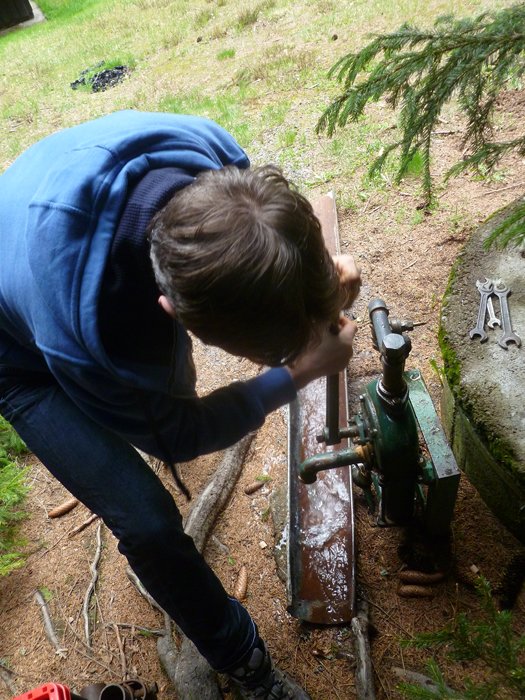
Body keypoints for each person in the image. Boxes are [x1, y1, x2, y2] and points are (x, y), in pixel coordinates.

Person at [0, 110, 360, 699]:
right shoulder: (94, 341)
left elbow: (271, 243)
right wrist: (300, 372)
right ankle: (245, 663)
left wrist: (318, 283)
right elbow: (178, 435)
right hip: (17, 353)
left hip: (42, 219)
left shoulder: (214, 160)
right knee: (147, 521)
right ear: (169, 309)